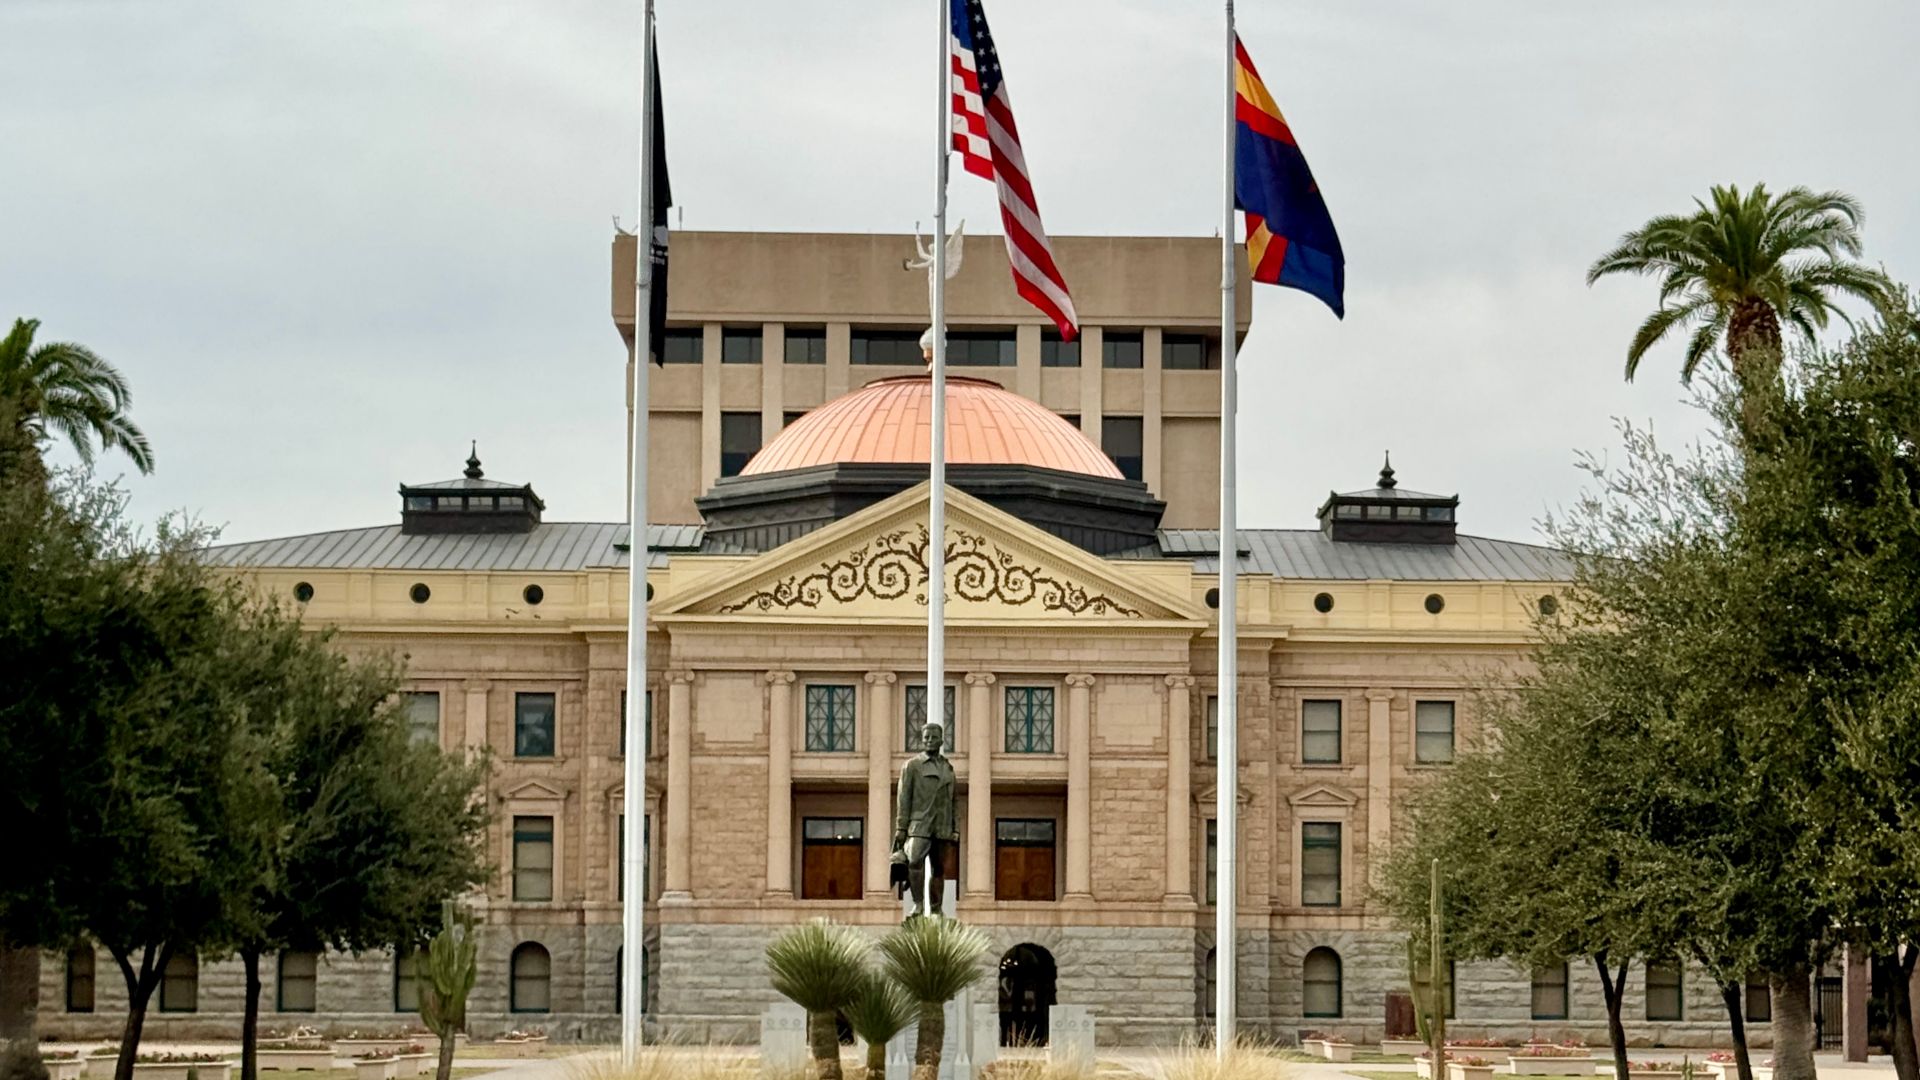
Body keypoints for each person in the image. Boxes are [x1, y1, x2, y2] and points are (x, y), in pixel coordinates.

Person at [891, 717, 957, 918]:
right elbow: (904, 797)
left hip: (942, 825)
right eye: (926, 736)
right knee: (914, 862)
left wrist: (955, 828)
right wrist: (901, 827)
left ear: (941, 741)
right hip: (919, 825)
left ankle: (937, 909)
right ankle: (918, 905)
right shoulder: (912, 766)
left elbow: (953, 800)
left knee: (939, 869)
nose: (929, 740)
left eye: (933, 737)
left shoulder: (948, 768)